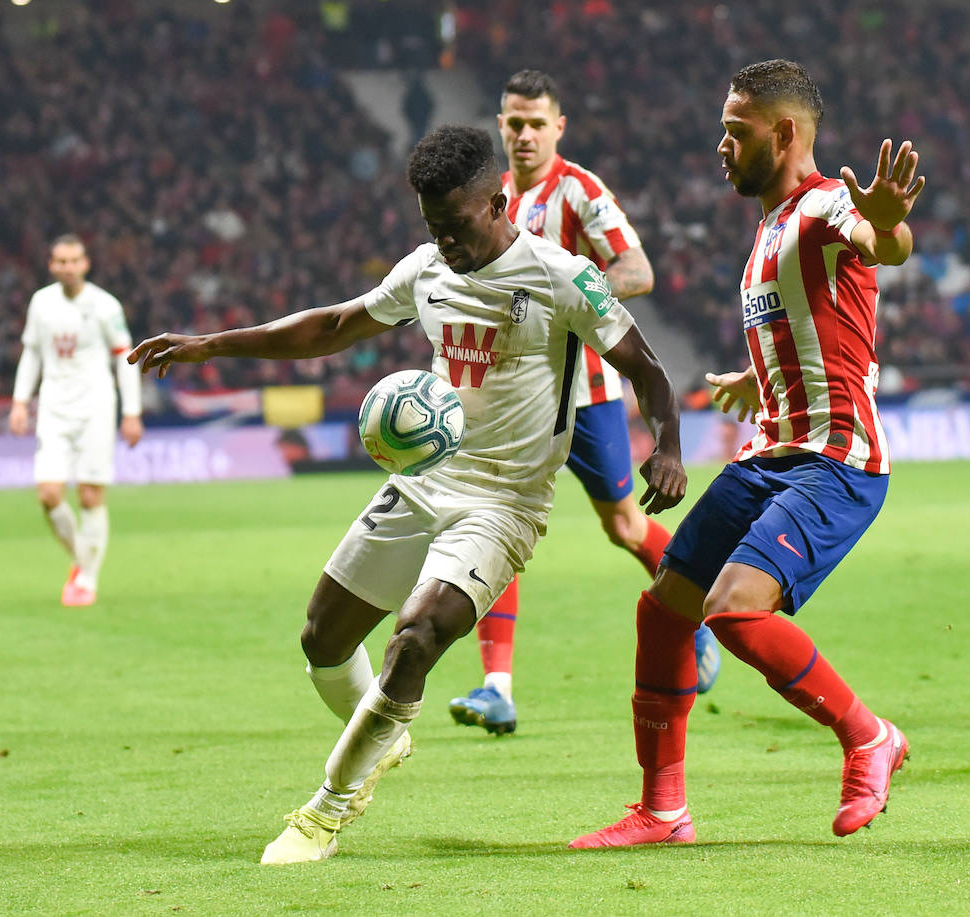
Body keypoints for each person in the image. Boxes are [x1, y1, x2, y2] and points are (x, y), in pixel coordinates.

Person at [128, 126, 686, 864]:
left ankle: (325, 809)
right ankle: (383, 731)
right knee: (322, 640)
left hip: (504, 504)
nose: (445, 243)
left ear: (498, 200)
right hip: (425, 480)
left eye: (456, 226)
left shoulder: (561, 278)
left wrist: (668, 447)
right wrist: (213, 344)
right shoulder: (426, 268)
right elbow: (331, 324)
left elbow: (646, 367)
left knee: (417, 636)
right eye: (433, 228)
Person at [570, 59, 924, 848]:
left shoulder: (829, 204)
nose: (721, 144)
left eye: (738, 130)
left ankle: (870, 736)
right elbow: (823, 327)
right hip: (771, 452)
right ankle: (662, 811)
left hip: (835, 462)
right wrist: (755, 379)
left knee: (733, 609)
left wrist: (889, 223)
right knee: (664, 610)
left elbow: (881, 241)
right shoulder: (769, 225)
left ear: (786, 132)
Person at [446, 69, 720, 738]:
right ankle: (496, 687)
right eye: (514, 122)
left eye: (538, 123)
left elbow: (638, 270)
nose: (525, 134)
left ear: (558, 127)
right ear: (500, 124)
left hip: (589, 393)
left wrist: (568, 296)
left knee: (626, 526)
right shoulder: (491, 196)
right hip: (513, 397)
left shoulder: (581, 190)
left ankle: (701, 616)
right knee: (492, 520)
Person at [9, 234, 143, 607]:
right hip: (53, 407)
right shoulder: (41, 302)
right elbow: (32, 354)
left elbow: (125, 358)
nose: (67, 267)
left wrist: (131, 411)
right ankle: (83, 559)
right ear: (51, 265)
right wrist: (20, 402)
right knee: (49, 494)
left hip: (96, 406)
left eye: (74, 261)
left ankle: (86, 578)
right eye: (60, 261)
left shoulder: (104, 305)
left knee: (89, 495)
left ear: (85, 263)